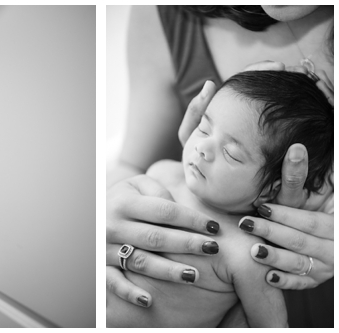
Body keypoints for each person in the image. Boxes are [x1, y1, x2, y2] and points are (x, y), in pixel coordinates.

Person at [107, 5, 334, 327]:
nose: (202, 149)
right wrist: (106, 213)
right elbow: (127, 167)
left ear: (271, 188)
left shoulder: (246, 256)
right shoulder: (161, 172)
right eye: (204, 128)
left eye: (232, 154)